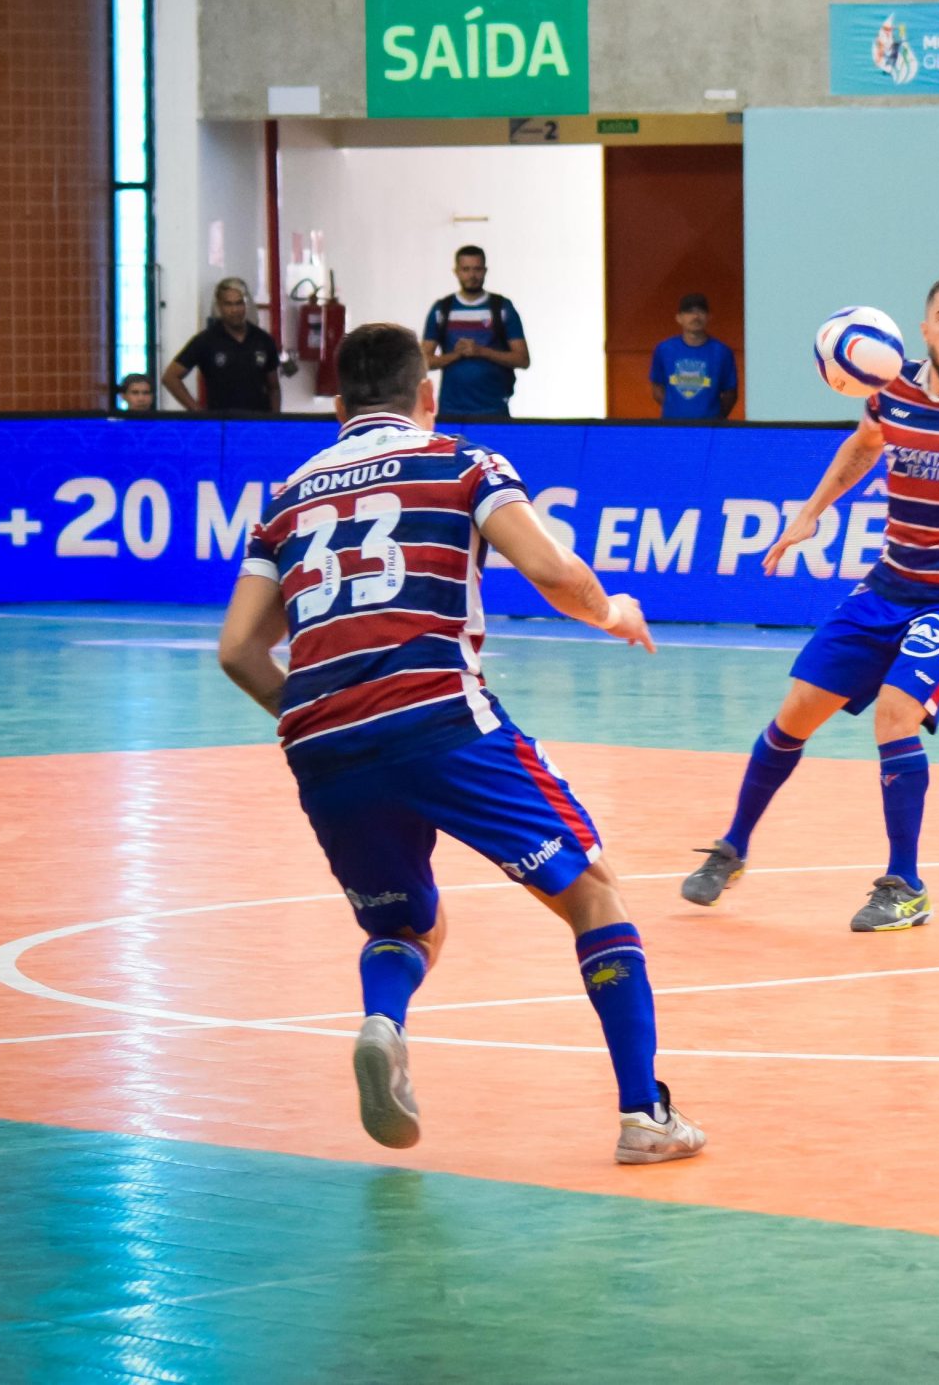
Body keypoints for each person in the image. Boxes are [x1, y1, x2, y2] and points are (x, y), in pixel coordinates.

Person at [215, 323, 706, 1166]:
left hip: (321, 742)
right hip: (437, 715)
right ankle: (644, 1116)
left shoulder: (284, 498)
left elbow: (236, 650)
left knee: (406, 925)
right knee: (591, 891)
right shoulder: (461, 461)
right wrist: (614, 611)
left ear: (338, 405)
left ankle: (383, 1022)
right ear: (426, 395)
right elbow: (551, 569)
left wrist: (321, 712)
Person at [681, 271, 939, 929]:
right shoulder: (894, 391)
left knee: (895, 711)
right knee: (795, 712)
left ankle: (905, 884)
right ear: (926, 328)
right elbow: (863, 444)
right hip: (888, 584)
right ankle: (732, 847)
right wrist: (811, 512)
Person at [419, 247, 530, 418]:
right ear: (456, 272)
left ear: (485, 271)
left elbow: (522, 359)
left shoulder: (502, 307)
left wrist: (481, 351)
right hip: (451, 410)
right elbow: (423, 362)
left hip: (494, 409)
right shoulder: (442, 309)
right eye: (466, 269)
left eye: (477, 269)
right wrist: (456, 355)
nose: (472, 275)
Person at [164, 278, 283, 413]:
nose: (234, 310)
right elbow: (170, 377)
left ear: (246, 304)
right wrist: (197, 411)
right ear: (219, 306)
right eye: (228, 304)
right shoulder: (206, 340)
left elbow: (274, 387)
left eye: (239, 303)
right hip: (222, 424)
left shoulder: (263, 339)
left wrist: (275, 422)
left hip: (257, 424)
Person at [649, 293, 740, 418]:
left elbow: (730, 393)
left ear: (709, 317)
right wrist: (675, 412)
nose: (695, 316)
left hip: (710, 430)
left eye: (701, 311)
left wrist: (715, 420)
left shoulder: (722, 352)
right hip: (672, 428)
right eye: (689, 312)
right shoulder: (664, 349)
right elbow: (657, 389)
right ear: (678, 318)